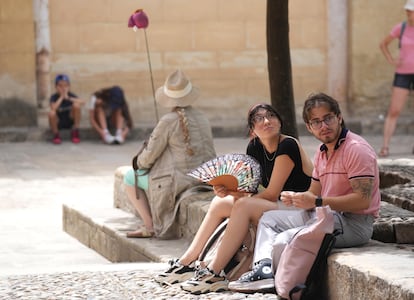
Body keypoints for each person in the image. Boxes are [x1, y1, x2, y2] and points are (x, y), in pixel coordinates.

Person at [228, 92, 381, 293]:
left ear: (339, 117)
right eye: (316, 122)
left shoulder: (356, 149)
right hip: (327, 215)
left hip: (354, 224)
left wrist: (316, 202)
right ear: (309, 127)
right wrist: (298, 199)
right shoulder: (322, 152)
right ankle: (264, 270)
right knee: (270, 219)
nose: (323, 126)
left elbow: (362, 201)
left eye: (328, 118)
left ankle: (285, 285)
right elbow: (313, 193)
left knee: (285, 238)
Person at [155, 103, 314, 294]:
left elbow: (271, 193)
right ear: (252, 130)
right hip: (279, 205)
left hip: (300, 207)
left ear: (279, 121)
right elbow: (251, 191)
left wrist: (241, 199)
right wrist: (228, 192)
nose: (266, 121)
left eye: (271, 116)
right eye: (259, 118)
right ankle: (187, 262)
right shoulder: (254, 147)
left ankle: (214, 273)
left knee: (244, 206)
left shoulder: (288, 145)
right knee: (220, 203)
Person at [123, 69, 216, 238]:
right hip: (207, 179)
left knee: (130, 177)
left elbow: (146, 160)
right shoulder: (202, 117)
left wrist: (139, 161)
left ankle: (149, 226)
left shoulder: (168, 120)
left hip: (181, 182)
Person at [378, 0, 414, 157]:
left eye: (411, 10)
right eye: (407, 10)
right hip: (402, 73)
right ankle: (385, 147)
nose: (408, 13)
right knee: (394, 110)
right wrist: (392, 60)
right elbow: (383, 44)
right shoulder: (402, 27)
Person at [48, 74, 85, 144]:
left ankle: (75, 131)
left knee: (76, 105)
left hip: (70, 120)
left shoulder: (71, 95)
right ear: (56, 87)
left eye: (65, 85)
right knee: (51, 113)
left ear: (69, 86)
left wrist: (68, 98)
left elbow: (83, 102)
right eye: (60, 86)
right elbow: (53, 107)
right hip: (58, 122)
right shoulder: (54, 97)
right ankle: (56, 135)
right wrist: (61, 97)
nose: (63, 88)